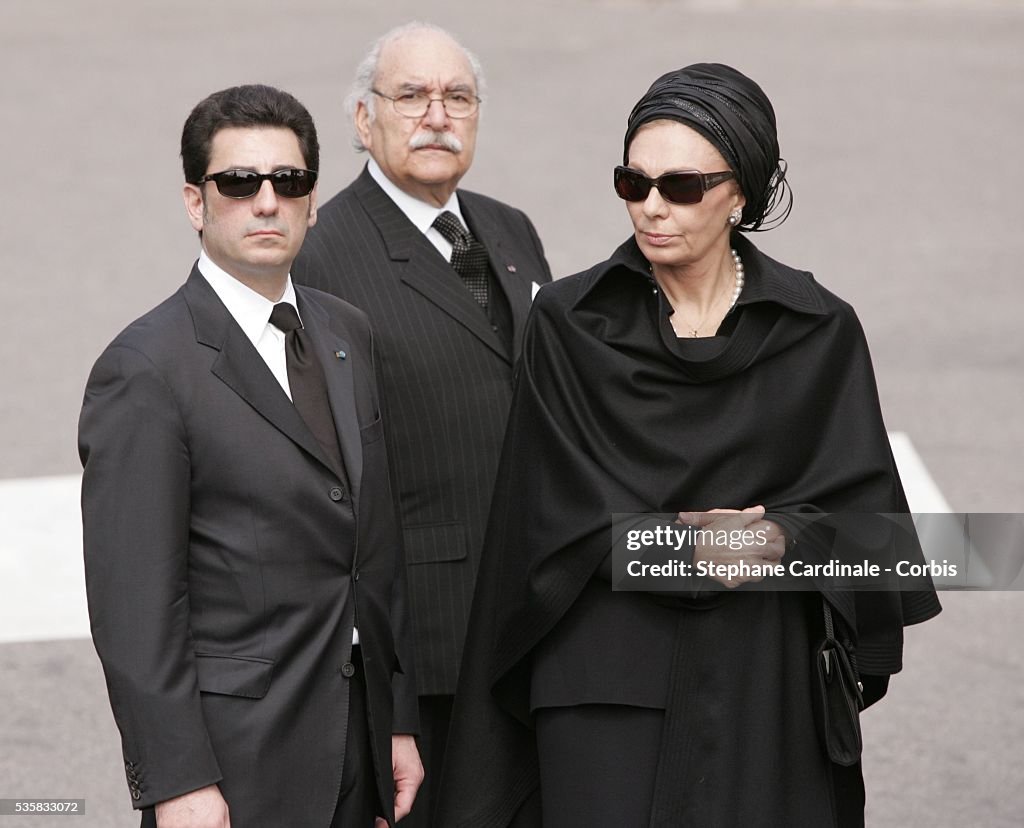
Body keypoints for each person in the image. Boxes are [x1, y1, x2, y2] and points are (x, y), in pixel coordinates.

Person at [436, 63, 941, 827]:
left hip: (762, 687)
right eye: (632, 184)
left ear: (740, 194)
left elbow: (874, 543)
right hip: (605, 689)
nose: (651, 208)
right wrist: (696, 550)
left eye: (680, 187)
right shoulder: (570, 324)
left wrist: (776, 539)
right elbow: (544, 526)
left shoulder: (817, 331)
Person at [80, 84, 422, 828]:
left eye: (288, 181)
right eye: (239, 182)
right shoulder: (145, 369)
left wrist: (395, 716)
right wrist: (176, 782)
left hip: (357, 746)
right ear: (196, 203)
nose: (267, 202)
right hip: (234, 771)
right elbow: (135, 608)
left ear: (312, 201)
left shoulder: (346, 333)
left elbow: (375, 547)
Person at [292, 22, 552, 825]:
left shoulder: (507, 228)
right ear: (364, 121)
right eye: (412, 96)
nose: (437, 115)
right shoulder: (323, 254)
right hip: (428, 646)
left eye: (458, 97)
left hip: (534, 621)